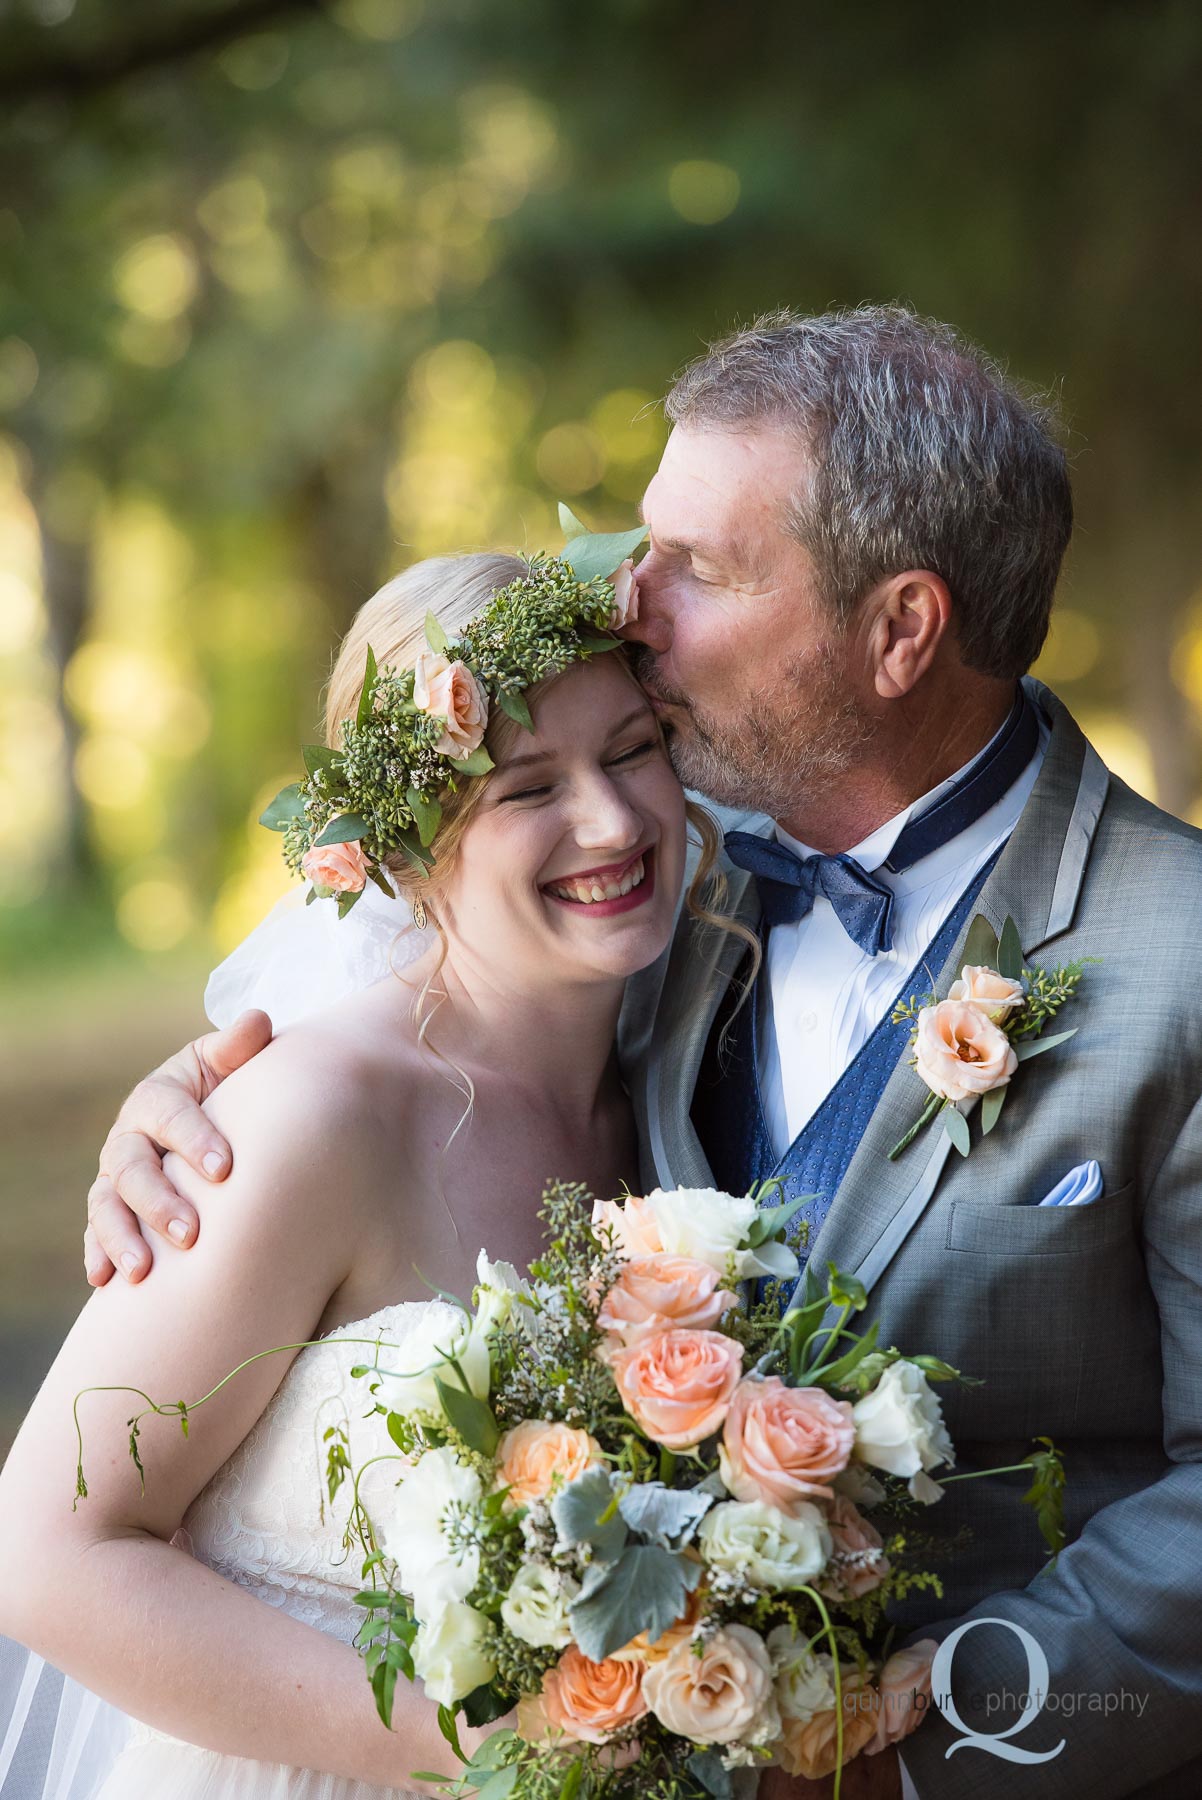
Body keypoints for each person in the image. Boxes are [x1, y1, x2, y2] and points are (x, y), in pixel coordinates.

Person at [86, 306, 1202, 1800]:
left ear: (898, 630)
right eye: (642, 541)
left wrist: (903, 1761)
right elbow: (438, 952)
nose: (630, 603)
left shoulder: (1175, 959)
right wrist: (186, 1113)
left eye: (699, 568)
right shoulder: (663, 868)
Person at [0, 548, 736, 1797]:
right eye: (522, 787)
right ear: (405, 851)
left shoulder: (682, 1069)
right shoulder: (306, 1123)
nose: (611, 822)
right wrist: (468, 1747)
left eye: (629, 751)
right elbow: (44, 1554)